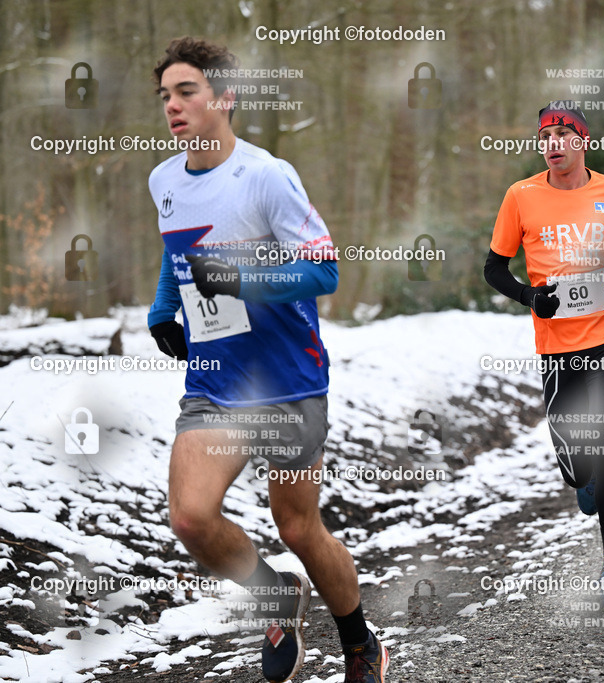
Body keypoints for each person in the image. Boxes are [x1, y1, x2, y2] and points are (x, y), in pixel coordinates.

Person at [146, 37, 386, 683]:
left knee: (299, 528)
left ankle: (360, 641)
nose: (172, 105)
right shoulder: (163, 178)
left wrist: (242, 279)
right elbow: (178, 253)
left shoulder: (266, 176)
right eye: (165, 95)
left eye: (186, 91)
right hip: (216, 381)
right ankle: (274, 597)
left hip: (287, 380)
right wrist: (162, 309)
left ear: (224, 97)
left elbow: (325, 270)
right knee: (191, 516)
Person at [483, 101, 604, 608]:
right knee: (573, 449)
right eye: (547, 136)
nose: (555, 143)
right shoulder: (521, 196)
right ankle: (580, 477)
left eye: (565, 134)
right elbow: (494, 268)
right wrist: (529, 296)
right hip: (557, 342)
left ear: (582, 141)